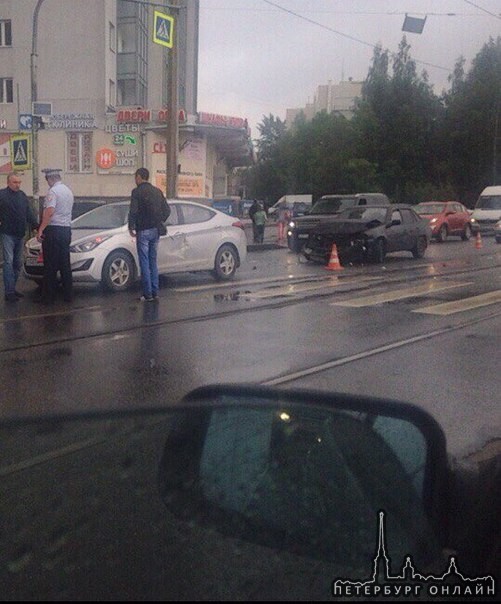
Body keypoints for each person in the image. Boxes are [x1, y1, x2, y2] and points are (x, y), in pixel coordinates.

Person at [128, 167, 170, 301]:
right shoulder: (157, 191)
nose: (135, 180)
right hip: (156, 230)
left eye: (136, 177)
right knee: (153, 261)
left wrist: (131, 226)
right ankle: (155, 291)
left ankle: (147, 294)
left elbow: (133, 211)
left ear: (139, 177)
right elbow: (167, 210)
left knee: (144, 262)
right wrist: (159, 220)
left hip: (143, 230)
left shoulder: (136, 192)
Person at [36, 168, 74, 304]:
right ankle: (68, 295)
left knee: (50, 265)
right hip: (66, 230)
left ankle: (48, 297)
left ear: (51, 179)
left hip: (53, 231)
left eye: (47, 180)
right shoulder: (68, 191)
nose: (48, 183)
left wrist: (41, 229)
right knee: (65, 264)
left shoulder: (53, 192)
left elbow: (50, 212)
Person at [0, 172, 39, 302]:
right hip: (7, 234)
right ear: (8, 183)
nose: (18, 185)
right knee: (8, 262)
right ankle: (9, 292)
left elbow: (29, 212)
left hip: (20, 234)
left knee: (17, 263)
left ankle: (12, 287)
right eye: (15, 182)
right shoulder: (2, 195)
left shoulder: (22, 196)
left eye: (19, 182)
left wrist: (35, 226)